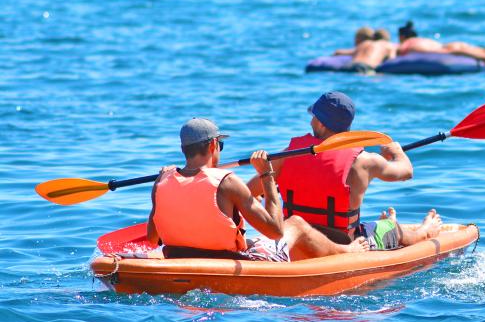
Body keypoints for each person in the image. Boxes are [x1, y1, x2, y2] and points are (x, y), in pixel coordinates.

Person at [248, 91, 442, 258]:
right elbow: (406, 172)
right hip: (344, 241)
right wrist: (397, 151)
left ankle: (403, 226)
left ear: (322, 124)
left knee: (382, 226)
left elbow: (249, 193)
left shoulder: (288, 155)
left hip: (295, 240)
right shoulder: (365, 161)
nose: (310, 121)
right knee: (392, 229)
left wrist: (269, 218)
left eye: (313, 116)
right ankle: (424, 232)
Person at [146, 118, 363, 261]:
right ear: (213, 145)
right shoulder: (227, 182)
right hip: (226, 262)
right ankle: (347, 251)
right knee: (295, 224)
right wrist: (267, 176)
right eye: (220, 146)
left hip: (177, 256)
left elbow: (153, 238)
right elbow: (275, 231)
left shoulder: (162, 181)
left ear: (184, 149)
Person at [397, 21, 485, 72]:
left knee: (482, 53)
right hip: (452, 44)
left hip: (449, 49)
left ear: (402, 36)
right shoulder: (423, 39)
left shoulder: (407, 43)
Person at [332, 27, 397, 75]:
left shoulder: (365, 43)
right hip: (365, 68)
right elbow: (391, 61)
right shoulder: (389, 46)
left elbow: (338, 52)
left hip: (349, 65)